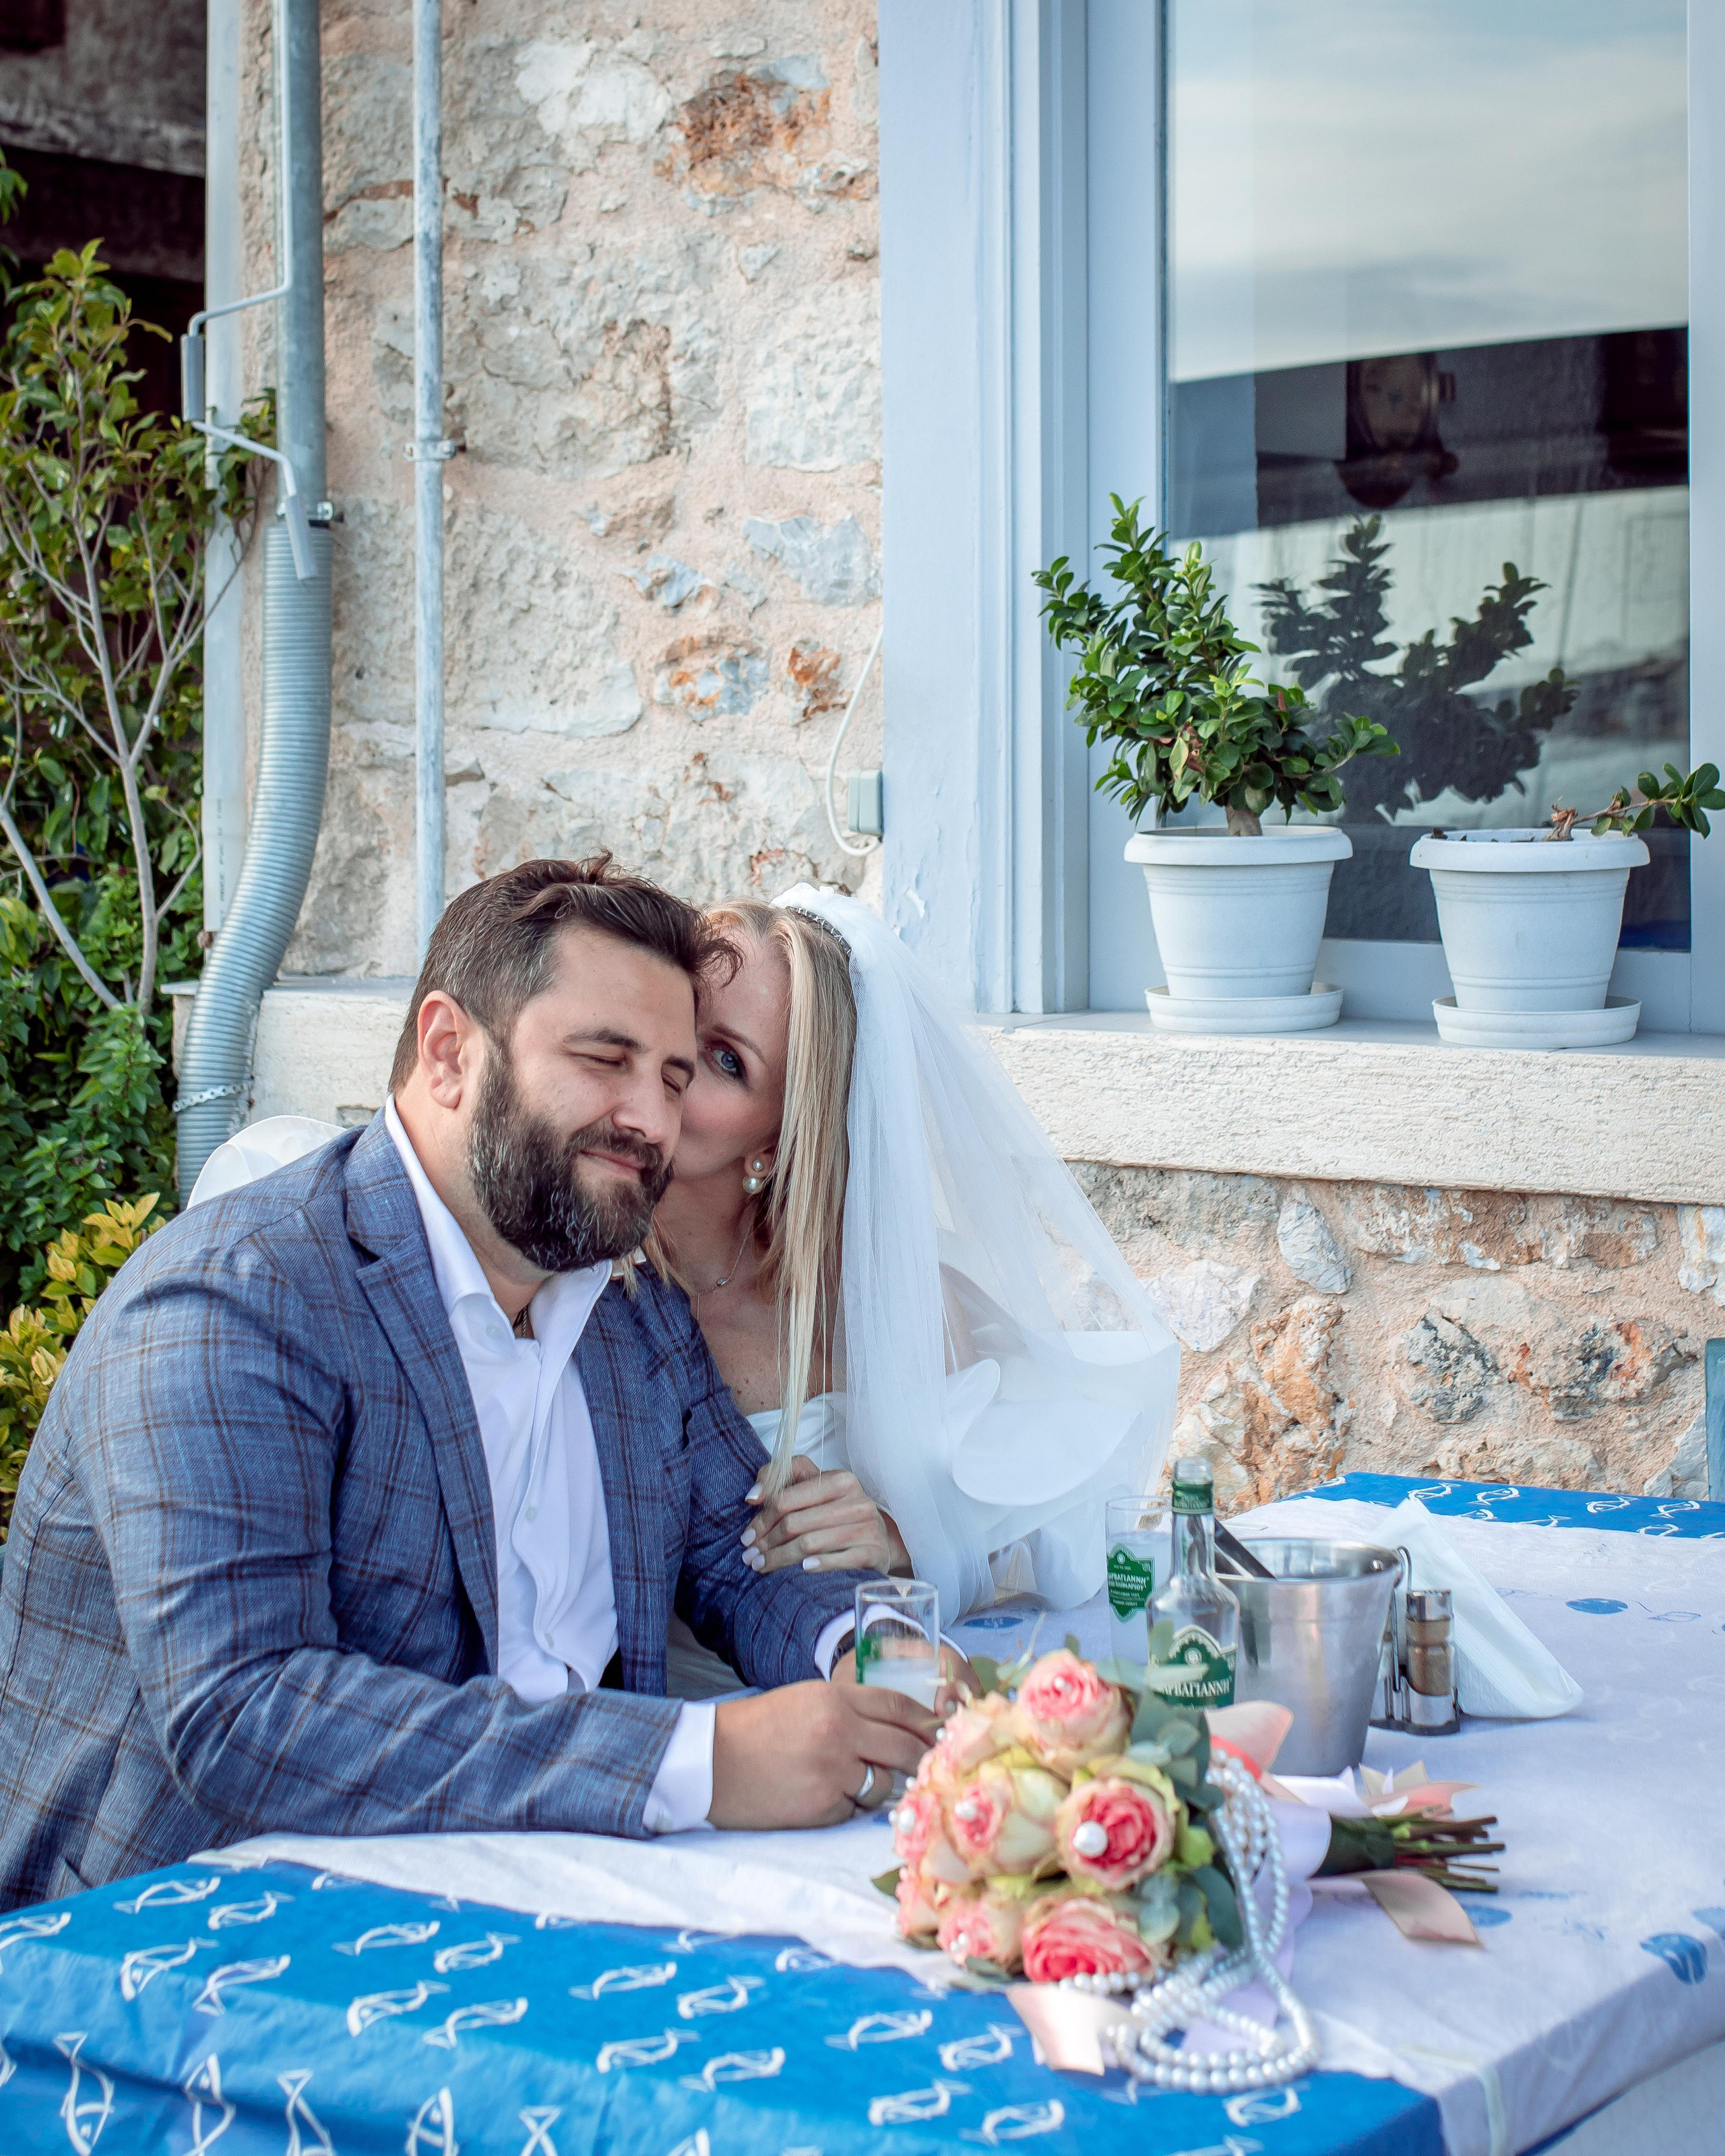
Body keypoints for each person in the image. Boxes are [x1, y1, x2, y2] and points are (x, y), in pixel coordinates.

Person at [0, 860, 943, 1913]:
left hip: (559, 1902)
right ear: (449, 1052)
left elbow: (739, 1552)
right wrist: (697, 1759)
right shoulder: (238, 1299)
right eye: (604, 1058)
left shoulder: (628, 1309)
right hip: (181, 1948)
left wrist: (872, 1657)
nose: (650, 1120)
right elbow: (243, 1715)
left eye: (678, 1078)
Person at [654, 885, 1180, 1679]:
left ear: (777, 1139)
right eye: (676, 1016)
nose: (670, 1064)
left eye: (727, 1060)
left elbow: (1040, 1534)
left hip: (841, 1699)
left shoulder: (884, 1300)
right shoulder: (580, 1267)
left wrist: (899, 1538)